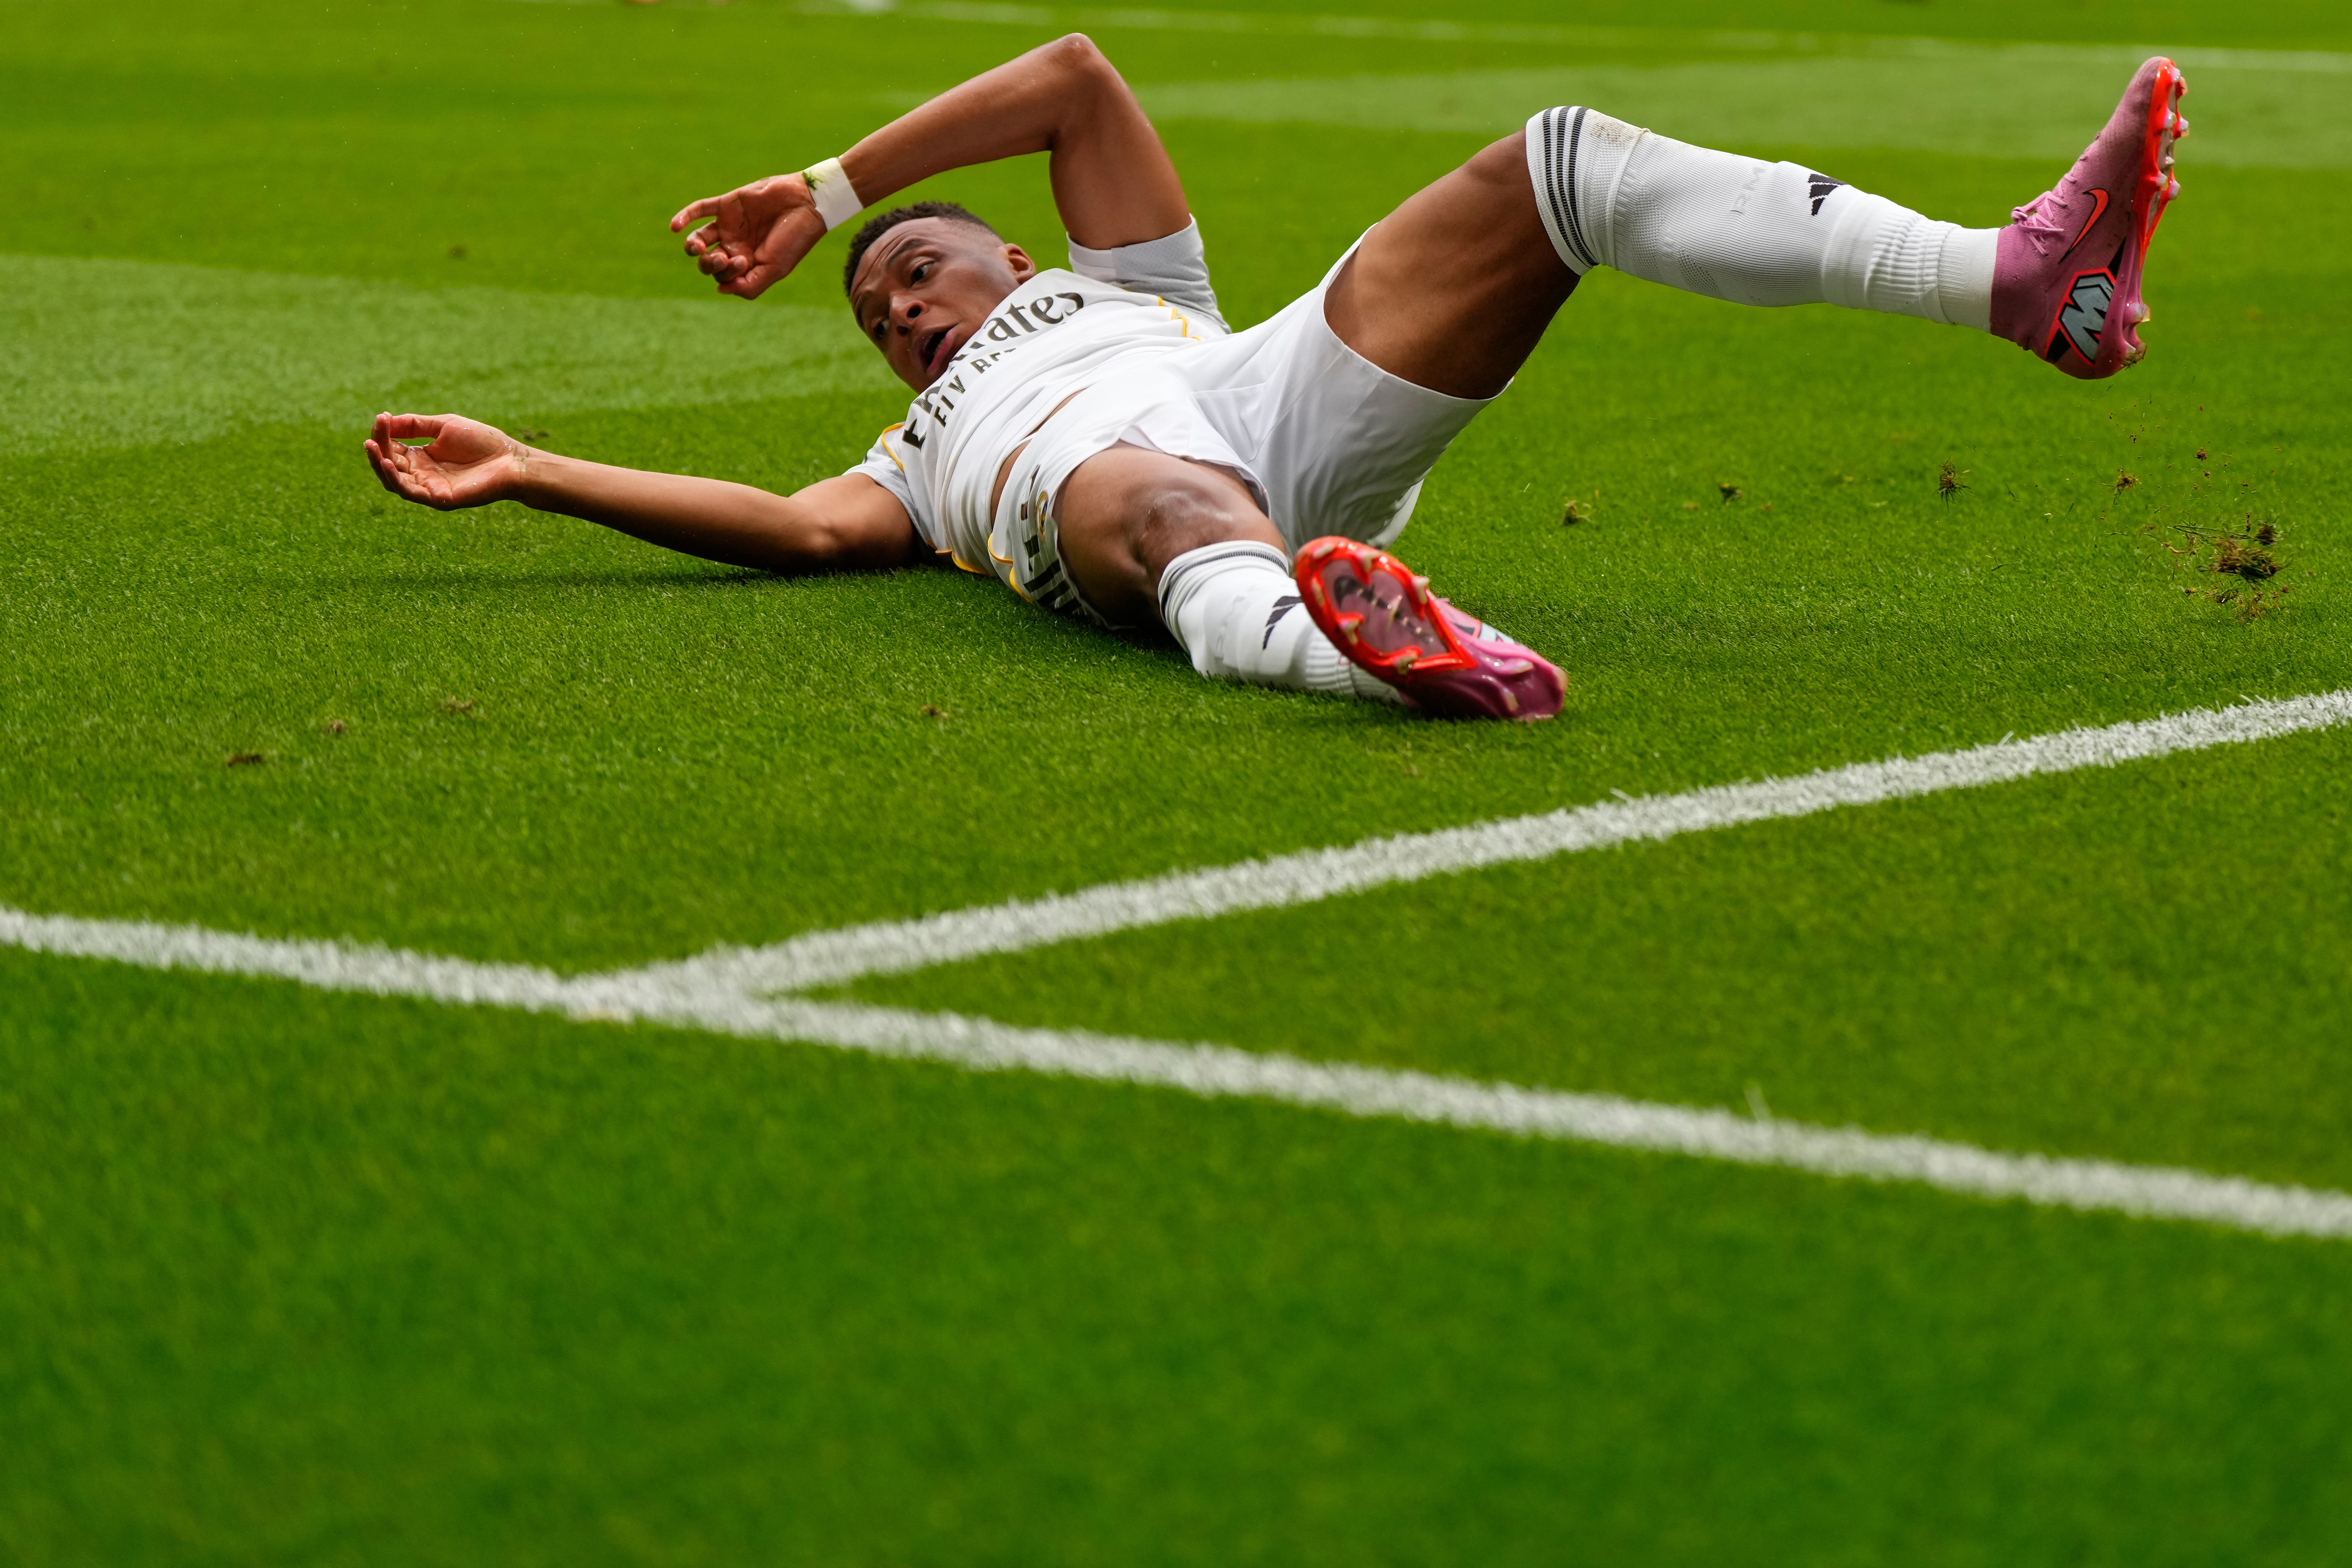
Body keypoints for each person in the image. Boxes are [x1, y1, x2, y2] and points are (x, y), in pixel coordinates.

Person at [364, 39, 2187, 722]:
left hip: (1267, 402)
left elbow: (1074, 74)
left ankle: (2016, 283)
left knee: (1554, 160)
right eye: (876, 314)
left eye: (921, 272)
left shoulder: (1134, 285)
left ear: (1015, 257)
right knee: (1159, 505)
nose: (903, 313)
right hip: (1117, 511)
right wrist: (531, 466)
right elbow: (786, 527)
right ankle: (1380, 650)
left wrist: (835, 190)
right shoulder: (925, 457)